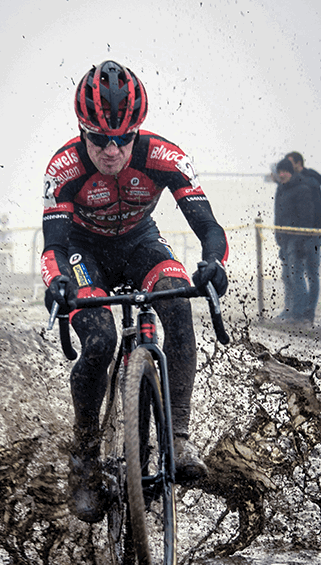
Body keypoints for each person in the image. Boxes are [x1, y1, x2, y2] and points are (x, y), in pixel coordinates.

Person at [41, 60, 230, 524]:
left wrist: (214, 265)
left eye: (124, 138)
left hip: (140, 243)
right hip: (84, 253)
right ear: (82, 129)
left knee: (177, 300)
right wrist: (58, 283)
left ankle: (178, 441)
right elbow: (54, 248)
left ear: (137, 131)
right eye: (100, 138)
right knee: (101, 340)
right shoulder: (64, 167)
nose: (112, 149)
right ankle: (84, 461)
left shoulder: (164, 156)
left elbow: (209, 227)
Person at [273, 157, 321, 325]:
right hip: (285, 238)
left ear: (291, 172)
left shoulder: (302, 189)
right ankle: (290, 309)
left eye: (285, 171)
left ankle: (299, 312)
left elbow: (306, 217)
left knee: (297, 275)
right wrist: (278, 236)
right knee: (288, 276)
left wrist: (302, 240)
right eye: (280, 172)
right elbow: (278, 215)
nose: (282, 174)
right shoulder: (281, 189)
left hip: (297, 238)